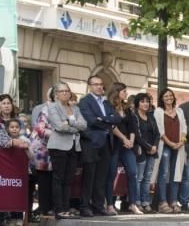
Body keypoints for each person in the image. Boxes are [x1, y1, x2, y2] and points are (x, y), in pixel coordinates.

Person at [78, 76, 121, 217]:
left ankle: (98, 205)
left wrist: (103, 119)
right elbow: (91, 121)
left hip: (106, 142)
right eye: (95, 84)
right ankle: (85, 206)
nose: (99, 87)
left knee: (101, 177)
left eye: (101, 84)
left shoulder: (106, 102)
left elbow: (117, 118)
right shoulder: (85, 101)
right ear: (89, 86)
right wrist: (107, 121)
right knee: (89, 176)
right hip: (91, 142)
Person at [45, 83, 87, 218]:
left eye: (67, 91)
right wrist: (75, 127)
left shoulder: (75, 108)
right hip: (58, 147)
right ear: (56, 94)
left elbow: (84, 125)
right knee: (58, 178)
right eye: (61, 91)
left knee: (69, 179)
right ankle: (59, 209)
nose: (64, 93)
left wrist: (69, 122)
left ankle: (66, 207)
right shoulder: (52, 107)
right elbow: (59, 126)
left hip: (74, 147)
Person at [105, 83, 140, 214]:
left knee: (132, 172)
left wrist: (130, 140)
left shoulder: (126, 108)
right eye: (124, 91)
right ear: (117, 92)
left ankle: (132, 203)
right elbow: (111, 126)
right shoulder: (108, 106)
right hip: (114, 144)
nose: (126, 93)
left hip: (127, 146)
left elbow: (132, 126)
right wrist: (123, 139)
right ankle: (109, 204)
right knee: (112, 174)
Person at [154, 88, 187, 214]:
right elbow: (160, 131)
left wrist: (181, 141)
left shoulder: (179, 111)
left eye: (170, 95)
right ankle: (163, 202)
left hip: (178, 146)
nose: (169, 98)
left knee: (175, 174)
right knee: (164, 173)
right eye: (166, 96)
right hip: (165, 146)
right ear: (162, 99)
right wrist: (170, 143)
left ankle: (173, 201)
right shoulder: (158, 111)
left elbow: (184, 127)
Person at [28, 89, 55, 218]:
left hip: (57, 148)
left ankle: (52, 207)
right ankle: (44, 208)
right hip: (42, 150)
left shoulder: (65, 108)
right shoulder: (40, 108)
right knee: (44, 179)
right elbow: (36, 126)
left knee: (55, 179)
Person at [132, 93, 159, 213]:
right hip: (141, 150)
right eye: (142, 101)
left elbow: (157, 133)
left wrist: (155, 146)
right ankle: (137, 202)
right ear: (138, 103)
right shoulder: (134, 117)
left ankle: (145, 201)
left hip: (152, 151)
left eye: (147, 101)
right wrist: (148, 147)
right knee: (139, 177)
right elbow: (137, 136)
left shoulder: (151, 116)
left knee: (147, 178)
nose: (145, 104)